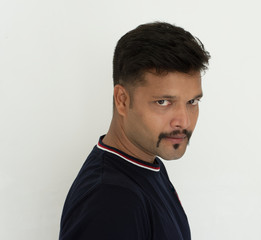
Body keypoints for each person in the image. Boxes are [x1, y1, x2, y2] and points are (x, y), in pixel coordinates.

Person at [59, 22, 210, 240]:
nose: (184, 121)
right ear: (122, 100)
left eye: (192, 101)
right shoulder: (111, 201)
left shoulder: (146, 165)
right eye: (163, 102)